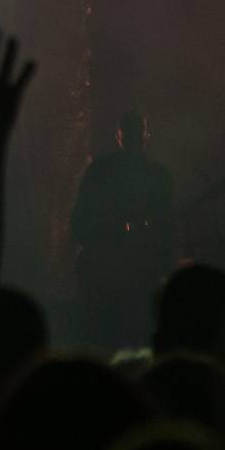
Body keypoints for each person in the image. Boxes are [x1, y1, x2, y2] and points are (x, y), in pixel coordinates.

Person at [70, 111, 174, 347]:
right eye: (131, 131)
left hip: (127, 272)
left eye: (135, 131)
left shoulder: (100, 171)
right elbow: (81, 220)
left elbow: (79, 220)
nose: (133, 136)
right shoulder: (156, 174)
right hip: (118, 272)